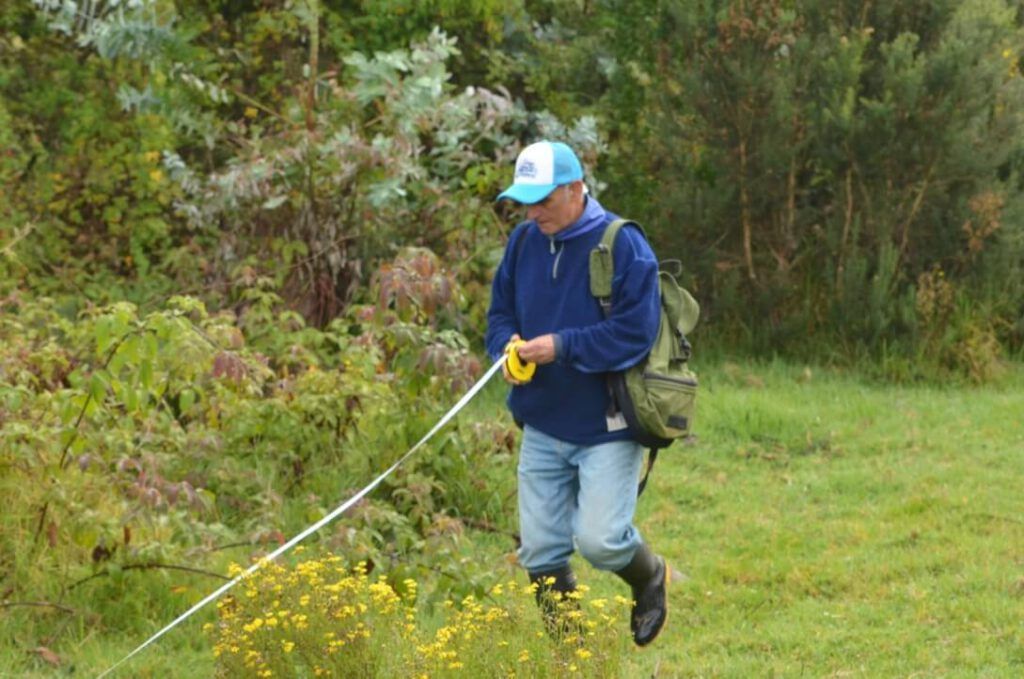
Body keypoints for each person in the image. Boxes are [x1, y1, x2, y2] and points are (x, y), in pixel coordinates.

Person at [485, 140, 671, 647]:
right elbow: (500, 315)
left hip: (606, 424)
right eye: (526, 200)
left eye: (544, 199)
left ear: (574, 188)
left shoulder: (623, 243)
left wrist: (560, 347)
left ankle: (649, 577)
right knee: (540, 552)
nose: (533, 211)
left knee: (602, 543)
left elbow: (636, 333)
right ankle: (573, 654)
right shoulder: (523, 242)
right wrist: (507, 349)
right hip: (542, 422)